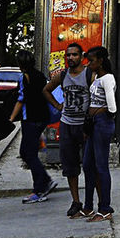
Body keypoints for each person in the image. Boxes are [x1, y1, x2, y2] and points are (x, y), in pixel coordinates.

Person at [44, 42, 92, 218]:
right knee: (70, 167)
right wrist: (58, 105)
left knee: (89, 165)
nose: (71, 58)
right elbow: (46, 90)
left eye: (74, 55)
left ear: (81, 56)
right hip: (67, 124)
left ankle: (89, 202)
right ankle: (76, 201)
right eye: (68, 55)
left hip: (84, 126)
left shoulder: (88, 74)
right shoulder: (63, 75)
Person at [10, 48, 57, 204]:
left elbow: (21, 99)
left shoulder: (26, 78)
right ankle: (44, 180)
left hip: (31, 119)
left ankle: (40, 188)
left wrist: (11, 118)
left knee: (28, 153)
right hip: (42, 118)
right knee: (27, 152)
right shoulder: (40, 76)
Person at [81, 45, 117, 222]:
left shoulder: (108, 79)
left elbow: (112, 107)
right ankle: (88, 206)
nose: (88, 64)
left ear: (101, 61)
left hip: (102, 123)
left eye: (92, 60)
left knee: (101, 166)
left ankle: (105, 208)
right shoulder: (96, 78)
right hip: (93, 124)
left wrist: (95, 113)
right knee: (88, 164)